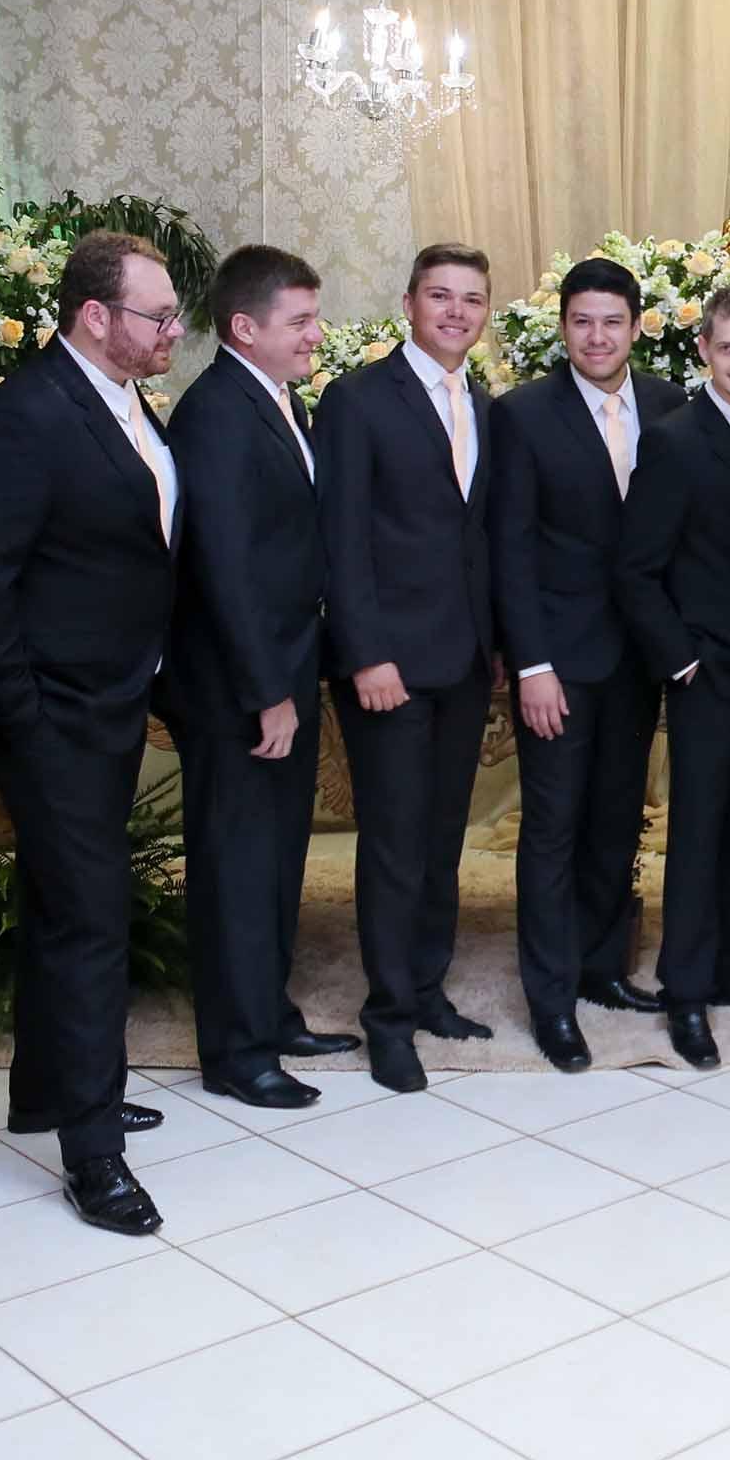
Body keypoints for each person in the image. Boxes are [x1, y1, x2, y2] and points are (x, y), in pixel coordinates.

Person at [0, 231, 183, 1235]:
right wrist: (25, 726)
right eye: (158, 315)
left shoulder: (123, 399)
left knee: (58, 904)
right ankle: (93, 1152)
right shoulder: (21, 417)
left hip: (110, 704)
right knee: (89, 918)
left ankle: (45, 1090)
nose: (173, 331)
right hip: (50, 717)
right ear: (95, 316)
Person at [164, 245, 356, 1113]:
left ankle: (268, 1015)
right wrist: (265, 691)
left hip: (285, 666)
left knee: (276, 860)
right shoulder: (215, 413)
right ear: (244, 326)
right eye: (301, 320)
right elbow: (224, 565)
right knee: (238, 869)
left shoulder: (277, 398)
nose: (317, 334)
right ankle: (237, 1053)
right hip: (240, 687)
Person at [492, 258, 689, 1070]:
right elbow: (510, 548)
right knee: (552, 827)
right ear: (563, 327)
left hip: (638, 657)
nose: (598, 336)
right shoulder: (522, 414)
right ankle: (550, 999)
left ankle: (602, 966)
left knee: (616, 819)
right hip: (559, 660)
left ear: (637, 327)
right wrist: (530, 664)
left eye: (612, 321)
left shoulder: (670, 404)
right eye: (582, 321)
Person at [316, 243, 499, 1095]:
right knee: (393, 845)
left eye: (471, 298)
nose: (457, 312)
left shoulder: (483, 404)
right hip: (388, 663)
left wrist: (496, 645)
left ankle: (427, 990)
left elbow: (477, 536)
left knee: (441, 839)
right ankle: (387, 1018)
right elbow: (341, 537)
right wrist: (366, 652)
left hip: (463, 661)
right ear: (409, 304)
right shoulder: (357, 399)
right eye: (441, 296)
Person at [615, 286, 730, 1070]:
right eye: (728, 348)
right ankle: (685, 988)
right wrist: (681, 660)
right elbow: (637, 568)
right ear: (704, 351)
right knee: (698, 831)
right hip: (708, 672)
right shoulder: (675, 440)